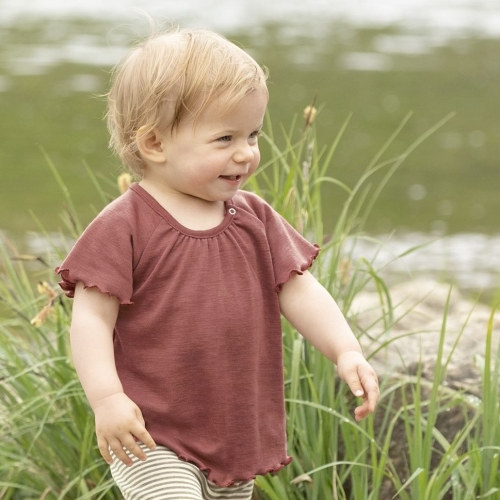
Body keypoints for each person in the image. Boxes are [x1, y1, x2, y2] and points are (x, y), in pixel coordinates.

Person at [56, 27, 379, 500]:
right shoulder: (126, 224)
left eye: (253, 134)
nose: (246, 153)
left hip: (232, 432)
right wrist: (107, 399)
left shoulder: (255, 218)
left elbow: (300, 289)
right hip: (151, 432)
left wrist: (346, 349)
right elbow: (90, 318)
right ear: (154, 144)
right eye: (225, 137)